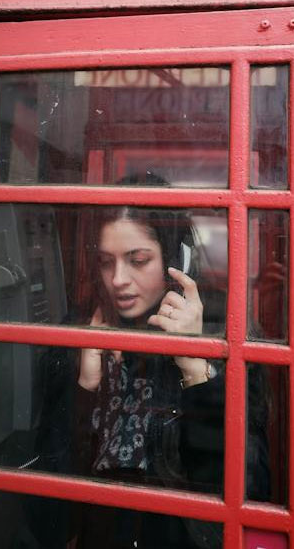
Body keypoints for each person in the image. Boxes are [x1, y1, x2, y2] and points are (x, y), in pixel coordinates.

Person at [27, 180, 270, 548]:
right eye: (105, 262)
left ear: (176, 259)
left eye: (138, 261)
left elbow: (249, 489)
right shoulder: (78, 330)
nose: (118, 280)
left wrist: (195, 367)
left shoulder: (226, 330)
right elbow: (44, 511)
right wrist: (84, 390)